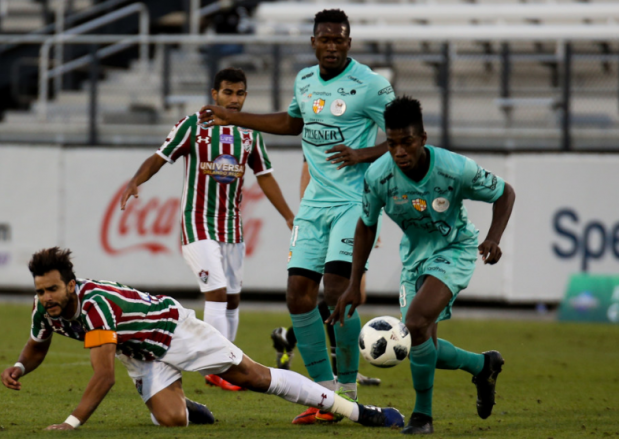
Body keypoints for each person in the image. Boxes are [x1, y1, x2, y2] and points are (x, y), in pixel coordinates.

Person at [199, 9, 396, 424]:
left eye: (339, 39)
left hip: (351, 204)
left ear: (349, 41)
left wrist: (363, 153)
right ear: (313, 42)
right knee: (297, 297)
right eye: (324, 39)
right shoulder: (305, 80)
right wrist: (234, 117)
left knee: (337, 293)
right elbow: (292, 122)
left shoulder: (371, 85)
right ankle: (325, 397)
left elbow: (405, 133)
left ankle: (347, 390)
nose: (331, 45)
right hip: (314, 205)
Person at [0, 247, 405, 430]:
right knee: (171, 421)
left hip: (173, 331)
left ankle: (355, 411)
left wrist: (72, 424)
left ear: (70, 285)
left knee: (254, 377)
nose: (46, 298)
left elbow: (103, 377)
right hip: (138, 351)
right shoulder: (45, 310)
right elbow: (37, 345)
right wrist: (20, 366)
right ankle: (185, 404)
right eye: (40, 291)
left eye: (52, 290)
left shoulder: (95, 306)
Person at [327, 96, 516, 435]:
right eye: (392, 143)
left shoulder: (454, 168)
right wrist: (354, 283)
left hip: (455, 248)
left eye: (407, 142)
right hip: (415, 257)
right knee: (420, 343)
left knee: (413, 323)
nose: (399, 151)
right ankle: (483, 364)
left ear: (423, 139)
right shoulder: (378, 175)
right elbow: (366, 225)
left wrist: (494, 237)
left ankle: (422, 417)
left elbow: (505, 193)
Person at [121, 67, 295, 391]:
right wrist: (135, 180)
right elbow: (160, 157)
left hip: (232, 228)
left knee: (231, 300)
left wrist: (288, 214)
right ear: (214, 94)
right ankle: (215, 369)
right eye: (227, 92)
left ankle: (225, 365)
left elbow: (265, 175)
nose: (234, 99)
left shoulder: (250, 132)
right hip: (197, 223)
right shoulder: (192, 126)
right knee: (215, 292)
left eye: (240, 93)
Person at [271, 158, 381, 388]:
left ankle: (290, 338)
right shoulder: (321, 129)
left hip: (355, 210)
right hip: (327, 216)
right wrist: (311, 219)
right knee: (341, 292)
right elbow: (307, 169)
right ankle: (339, 373)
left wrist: (370, 222)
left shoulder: (361, 132)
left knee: (354, 295)